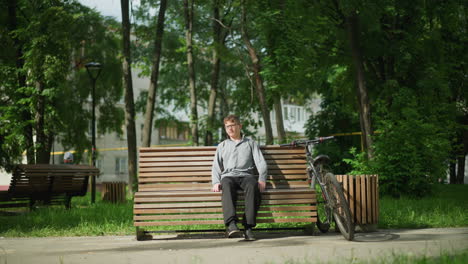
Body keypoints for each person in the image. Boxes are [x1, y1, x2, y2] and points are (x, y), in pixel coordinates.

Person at [211, 114, 267, 241]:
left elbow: (261, 162)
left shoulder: (250, 143)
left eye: (232, 125)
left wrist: (262, 178)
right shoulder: (222, 145)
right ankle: (231, 225)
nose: (230, 129)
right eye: (227, 126)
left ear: (240, 126)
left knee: (253, 186)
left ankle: (248, 227)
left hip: (246, 176)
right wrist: (215, 181)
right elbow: (216, 166)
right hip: (229, 176)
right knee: (225, 184)